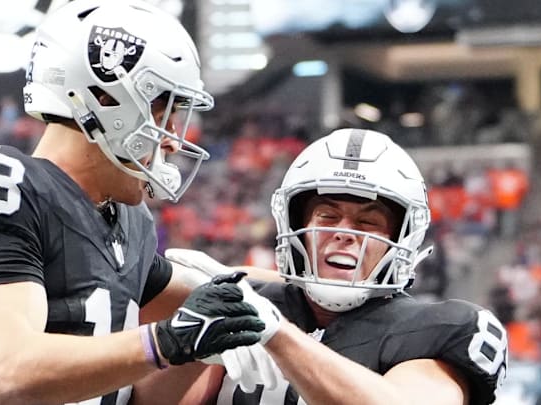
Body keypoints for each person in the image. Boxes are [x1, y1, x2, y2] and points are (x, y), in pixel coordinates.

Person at [0, 1, 274, 404]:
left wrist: (319, 288)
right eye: (165, 114)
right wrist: (167, 341)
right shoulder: (2, 181)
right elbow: (8, 373)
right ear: (106, 100)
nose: (173, 139)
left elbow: (212, 295)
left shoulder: (129, 220)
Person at [138, 128, 508, 405]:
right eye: (327, 216)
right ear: (295, 226)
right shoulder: (248, 302)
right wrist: (189, 346)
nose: (345, 234)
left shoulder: (437, 330)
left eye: (368, 222)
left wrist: (279, 337)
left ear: (403, 237)